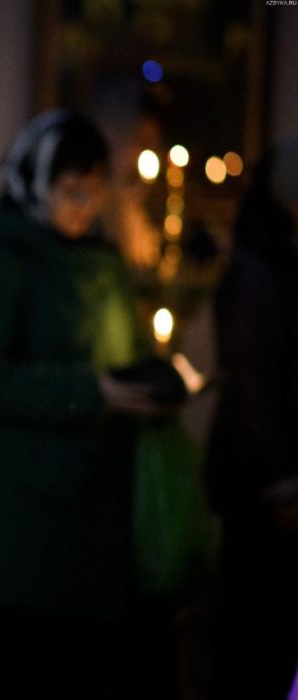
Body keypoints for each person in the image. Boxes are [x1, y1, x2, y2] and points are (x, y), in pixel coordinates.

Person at [0, 111, 174, 699]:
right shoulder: (3, 256)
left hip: (103, 505)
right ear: (36, 181)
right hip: (34, 512)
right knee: (33, 670)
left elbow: (123, 348)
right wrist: (91, 390)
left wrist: (153, 381)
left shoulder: (103, 258)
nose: (85, 204)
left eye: (95, 189)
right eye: (71, 190)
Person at [204, 138, 298, 699]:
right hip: (261, 483)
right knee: (254, 637)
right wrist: (283, 480)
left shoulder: (275, 259)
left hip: (269, 475)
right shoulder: (260, 270)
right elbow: (256, 381)